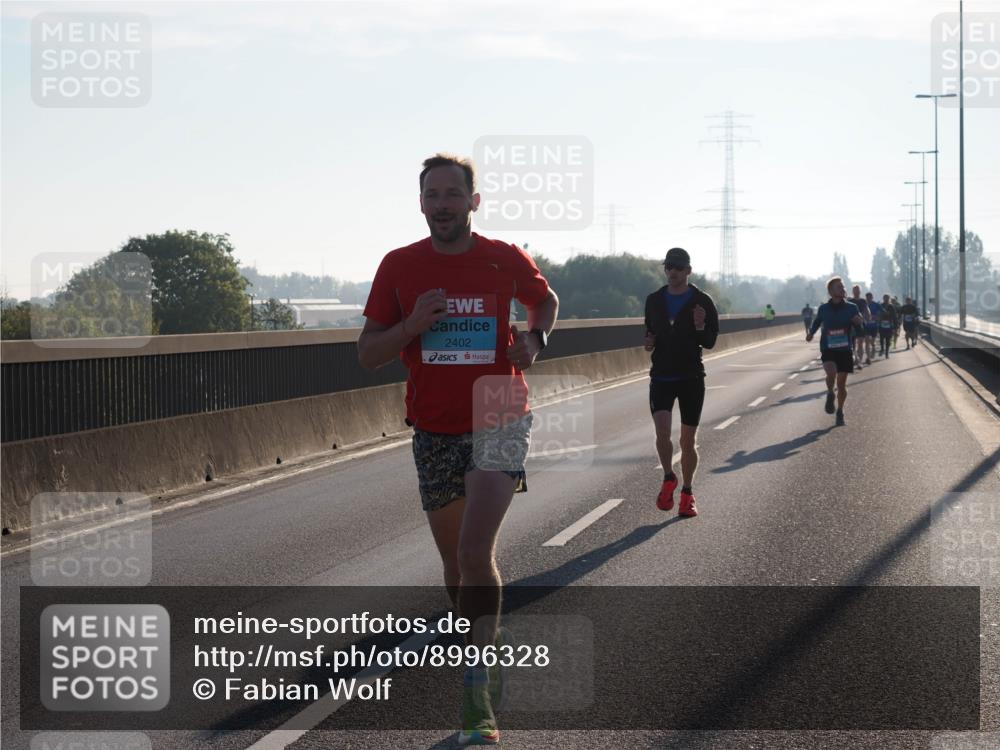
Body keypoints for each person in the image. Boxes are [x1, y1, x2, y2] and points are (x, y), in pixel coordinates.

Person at [358, 153, 559, 746]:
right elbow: (368, 352)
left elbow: (544, 302)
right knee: (454, 568)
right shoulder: (399, 267)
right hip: (434, 425)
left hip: (499, 407)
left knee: (476, 550)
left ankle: (476, 692)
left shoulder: (503, 258)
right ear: (420, 203)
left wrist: (536, 337)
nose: (442, 205)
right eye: (432, 196)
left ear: (474, 201)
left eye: (453, 194)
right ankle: (483, 651)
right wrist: (411, 325)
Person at [644, 247, 720, 518]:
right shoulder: (654, 300)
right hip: (661, 376)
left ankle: (687, 493)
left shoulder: (702, 301)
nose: (672, 271)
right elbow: (649, 332)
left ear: (688, 270)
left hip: (691, 378)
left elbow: (710, 341)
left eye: (678, 267)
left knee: (687, 441)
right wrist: (649, 341)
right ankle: (668, 477)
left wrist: (700, 326)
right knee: (662, 434)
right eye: (668, 266)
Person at [807, 276, 864, 426]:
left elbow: (859, 328)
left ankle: (840, 411)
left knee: (842, 384)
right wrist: (811, 332)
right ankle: (830, 393)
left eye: (843, 286)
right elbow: (818, 321)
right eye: (839, 287)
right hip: (828, 347)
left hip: (845, 348)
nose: (843, 289)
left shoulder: (852, 308)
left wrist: (859, 324)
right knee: (831, 373)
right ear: (831, 292)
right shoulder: (823, 308)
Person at [848, 285, 870, 368]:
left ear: (860, 291)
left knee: (860, 342)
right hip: (851, 325)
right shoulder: (850, 301)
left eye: (858, 290)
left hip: (860, 323)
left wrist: (868, 317)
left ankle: (860, 362)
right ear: (853, 292)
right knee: (853, 344)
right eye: (855, 290)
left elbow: (867, 310)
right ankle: (855, 358)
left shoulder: (863, 301)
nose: (856, 292)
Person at [877, 294, 897, 358]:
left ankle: (887, 352)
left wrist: (895, 325)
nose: (886, 299)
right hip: (882, 324)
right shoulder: (881, 305)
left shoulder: (891, 306)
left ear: (889, 299)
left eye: (887, 298)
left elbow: (894, 316)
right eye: (885, 298)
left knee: (888, 339)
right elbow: (878, 314)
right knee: (882, 338)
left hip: (889, 324)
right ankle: (882, 349)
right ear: (883, 298)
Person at [864, 292, 881, 364]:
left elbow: (879, 314)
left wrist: (874, 317)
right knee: (867, 341)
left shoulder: (876, 305)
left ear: (872, 297)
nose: (868, 299)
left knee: (872, 341)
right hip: (866, 326)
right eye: (867, 297)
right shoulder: (864, 305)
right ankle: (868, 357)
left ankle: (873, 348)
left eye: (870, 297)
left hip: (874, 325)